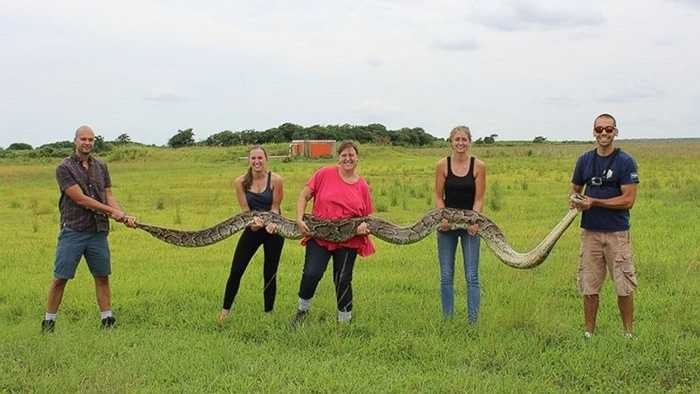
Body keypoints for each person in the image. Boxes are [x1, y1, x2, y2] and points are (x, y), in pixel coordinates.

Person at [41, 125, 137, 332]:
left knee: (102, 276)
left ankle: (107, 320)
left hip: (97, 231)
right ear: (75, 141)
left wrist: (123, 215)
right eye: (83, 139)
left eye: (91, 139)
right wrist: (113, 213)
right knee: (61, 277)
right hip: (74, 230)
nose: (87, 143)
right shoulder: (64, 168)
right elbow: (80, 199)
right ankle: (48, 321)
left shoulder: (101, 166)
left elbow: (108, 195)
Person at [570, 113, 640, 338]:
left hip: (617, 233)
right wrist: (575, 200)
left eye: (608, 129)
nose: (603, 133)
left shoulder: (625, 161)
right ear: (593, 132)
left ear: (615, 132)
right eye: (599, 129)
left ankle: (628, 333)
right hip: (590, 232)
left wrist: (595, 201)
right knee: (589, 286)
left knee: (623, 285)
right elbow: (574, 190)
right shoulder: (584, 160)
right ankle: (589, 333)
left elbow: (628, 199)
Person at [293, 140, 374, 324]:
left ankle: (344, 322)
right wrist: (299, 218)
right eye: (344, 155)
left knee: (343, 278)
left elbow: (368, 217)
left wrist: (363, 227)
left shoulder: (362, 185)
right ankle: (302, 311)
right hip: (320, 235)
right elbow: (304, 195)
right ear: (339, 158)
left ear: (357, 158)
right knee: (311, 273)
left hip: (349, 239)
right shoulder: (324, 173)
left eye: (351, 155)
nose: (348, 158)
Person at [218, 145, 285, 323]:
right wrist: (253, 225)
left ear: (266, 159)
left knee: (270, 272)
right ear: (249, 160)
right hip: (252, 228)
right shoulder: (240, 182)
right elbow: (245, 211)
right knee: (236, 270)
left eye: (260, 158)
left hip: (273, 229)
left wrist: (271, 224)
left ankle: (268, 313)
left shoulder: (276, 180)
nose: (257, 162)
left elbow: (275, 208)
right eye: (253, 158)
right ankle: (224, 312)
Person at [434, 126, 486, 324]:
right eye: (457, 139)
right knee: (446, 275)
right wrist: (443, 218)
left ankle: (473, 322)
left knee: (472, 276)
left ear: (470, 141)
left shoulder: (478, 166)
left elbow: (479, 199)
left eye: (464, 139)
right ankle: (448, 320)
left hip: (470, 227)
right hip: (446, 227)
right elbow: (439, 196)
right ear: (451, 142)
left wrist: (474, 220)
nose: (460, 143)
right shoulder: (442, 165)